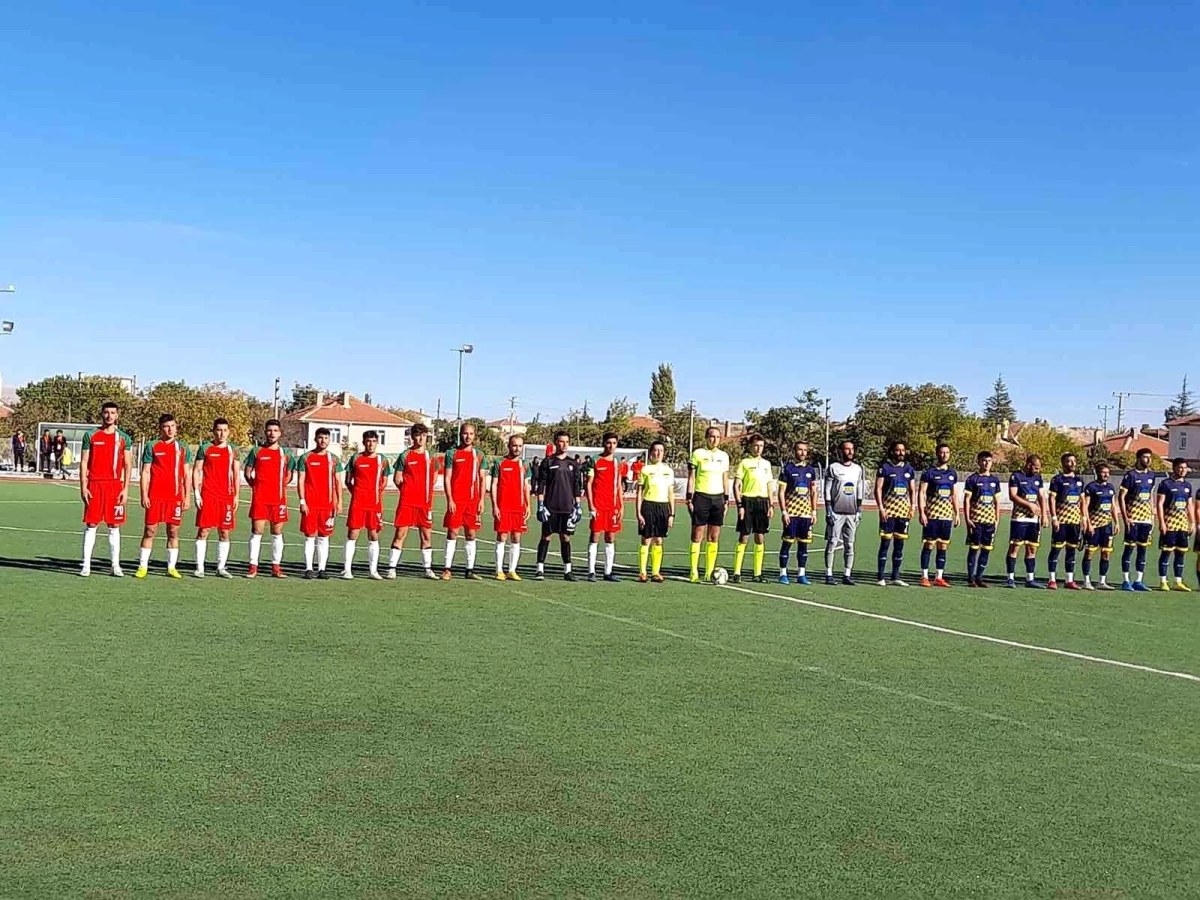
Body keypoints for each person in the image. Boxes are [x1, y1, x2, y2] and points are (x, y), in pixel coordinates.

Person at [79, 402, 134, 577]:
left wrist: (125, 489)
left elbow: (127, 464)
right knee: (92, 524)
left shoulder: (123, 438)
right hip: (95, 485)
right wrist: (83, 487)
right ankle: (86, 565)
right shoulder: (91, 435)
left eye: (113, 413)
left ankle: (115, 565)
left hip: (114, 486)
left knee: (114, 525)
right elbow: (84, 462)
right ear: (101, 415)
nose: (109, 416)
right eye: (106, 412)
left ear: (117, 415)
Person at [135, 413, 193, 579]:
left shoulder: (182, 448)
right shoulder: (152, 446)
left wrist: (187, 497)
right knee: (150, 531)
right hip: (155, 497)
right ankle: (142, 566)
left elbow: (187, 474)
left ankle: (171, 567)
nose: (170, 429)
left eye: (173, 426)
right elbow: (145, 472)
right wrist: (144, 494)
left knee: (173, 532)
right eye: (167, 426)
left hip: (175, 497)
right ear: (161, 429)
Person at [244, 419, 295, 578]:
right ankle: (253, 567)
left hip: (278, 499)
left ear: (280, 433)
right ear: (265, 432)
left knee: (277, 532)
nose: (272, 433)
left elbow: (289, 474)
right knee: (257, 531)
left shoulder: (285, 453)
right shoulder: (256, 451)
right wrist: (256, 486)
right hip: (260, 498)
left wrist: (279, 486)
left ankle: (276, 567)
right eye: (269, 430)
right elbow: (247, 472)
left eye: (275, 430)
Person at [388, 423, 438, 579]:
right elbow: (397, 479)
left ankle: (428, 569)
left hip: (425, 503)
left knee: (426, 536)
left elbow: (434, 477)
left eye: (423, 435)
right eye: (418, 435)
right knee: (400, 534)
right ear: (412, 437)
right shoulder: (405, 455)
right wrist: (408, 491)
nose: (421, 438)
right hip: (407, 502)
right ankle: (391, 568)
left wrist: (425, 490)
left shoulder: (431, 457)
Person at [193, 417, 241, 578]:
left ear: (228, 432)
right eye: (219, 430)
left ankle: (221, 567)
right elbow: (197, 470)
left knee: (225, 532)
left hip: (226, 497)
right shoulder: (205, 448)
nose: (221, 433)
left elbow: (236, 474)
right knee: (204, 531)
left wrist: (236, 496)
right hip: (208, 495)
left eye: (225, 430)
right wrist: (197, 493)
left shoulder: (233, 450)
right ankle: (200, 567)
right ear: (214, 431)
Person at [534, 431, 583, 581]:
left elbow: (576, 486)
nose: (564, 444)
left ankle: (568, 570)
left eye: (567, 441)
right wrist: (541, 505)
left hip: (567, 507)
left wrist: (578, 506)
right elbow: (541, 485)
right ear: (555, 442)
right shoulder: (548, 462)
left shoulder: (573, 463)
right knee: (546, 537)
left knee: (565, 538)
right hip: (551, 507)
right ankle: (540, 569)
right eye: (561, 441)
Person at [296, 427, 343, 579]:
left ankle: (322, 569)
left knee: (324, 537)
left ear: (329, 440)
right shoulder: (306, 458)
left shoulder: (334, 459)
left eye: (326, 438)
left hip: (327, 505)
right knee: (310, 536)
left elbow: (337, 482)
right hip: (310, 504)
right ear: (315, 439)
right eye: (320, 438)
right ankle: (309, 568)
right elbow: (301, 481)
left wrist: (339, 502)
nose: (323, 441)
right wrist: (302, 501)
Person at [442, 422, 487, 580]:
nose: (468, 437)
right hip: (457, 500)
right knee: (453, 532)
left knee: (471, 533)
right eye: (465, 433)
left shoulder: (479, 455)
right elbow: (447, 478)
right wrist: (450, 499)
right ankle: (447, 569)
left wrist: (481, 500)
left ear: (475, 436)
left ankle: (470, 569)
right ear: (460, 434)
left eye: (471, 434)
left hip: (472, 501)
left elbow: (482, 479)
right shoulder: (451, 453)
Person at [342, 431, 390, 580]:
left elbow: (384, 481)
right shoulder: (356, 458)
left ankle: (373, 570)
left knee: (374, 535)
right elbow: (348, 481)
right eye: (368, 441)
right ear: (364, 442)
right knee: (353, 534)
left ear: (377, 443)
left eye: (374, 441)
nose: (371, 444)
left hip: (374, 504)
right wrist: (356, 493)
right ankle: (347, 570)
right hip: (358, 503)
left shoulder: (382, 460)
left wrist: (375, 494)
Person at [687, 427, 730, 582]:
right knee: (697, 535)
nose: (715, 440)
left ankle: (709, 572)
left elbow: (725, 478)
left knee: (714, 536)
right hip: (701, 497)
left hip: (718, 498)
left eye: (718, 437)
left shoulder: (724, 456)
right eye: (712, 436)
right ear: (706, 438)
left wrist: (726, 499)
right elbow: (691, 477)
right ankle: (694, 572)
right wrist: (689, 497)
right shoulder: (698, 454)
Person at [731, 434, 773, 584]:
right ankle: (736, 572)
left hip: (762, 502)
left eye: (761, 446)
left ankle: (757, 573)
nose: (758, 449)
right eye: (756, 445)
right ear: (750, 446)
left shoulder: (767, 464)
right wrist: (740, 505)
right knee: (744, 536)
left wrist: (771, 505)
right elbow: (736, 486)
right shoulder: (744, 463)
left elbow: (769, 485)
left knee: (760, 537)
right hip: (748, 501)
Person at [875, 441, 917, 587]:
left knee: (899, 545)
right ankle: (881, 577)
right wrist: (881, 508)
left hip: (903, 513)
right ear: (892, 451)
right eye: (898, 450)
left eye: (903, 450)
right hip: (888, 512)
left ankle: (896, 576)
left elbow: (912, 490)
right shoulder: (885, 468)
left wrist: (913, 507)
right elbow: (878, 489)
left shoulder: (909, 469)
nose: (900, 453)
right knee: (885, 544)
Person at [824, 440, 866, 585]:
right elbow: (827, 489)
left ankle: (846, 574)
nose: (850, 452)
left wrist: (859, 508)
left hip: (852, 512)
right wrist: (829, 509)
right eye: (846, 449)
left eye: (852, 449)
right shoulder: (833, 468)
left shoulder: (858, 469)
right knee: (832, 543)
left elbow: (860, 488)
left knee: (850, 545)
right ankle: (829, 574)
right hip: (836, 512)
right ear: (840, 451)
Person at [918, 443, 959, 588]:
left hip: (947, 516)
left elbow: (954, 495)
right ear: (937, 454)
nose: (944, 455)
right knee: (929, 545)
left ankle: (939, 577)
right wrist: (922, 512)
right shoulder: (929, 473)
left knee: (943, 546)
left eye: (947, 452)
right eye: (942, 452)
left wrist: (957, 513)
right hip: (932, 515)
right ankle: (924, 576)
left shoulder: (952, 474)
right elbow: (922, 493)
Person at [777, 441, 818, 585]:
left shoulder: (811, 470)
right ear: (794, 451)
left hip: (806, 514)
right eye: (800, 450)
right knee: (787, 544)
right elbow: (781, 492)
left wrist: (813, 511)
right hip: (791, 513)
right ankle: (783, 573)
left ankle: (802, 574)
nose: (802, 453)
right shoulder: (787, 469)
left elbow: (813, 492)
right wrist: (784, 512)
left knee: (803, 545)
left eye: (805, 450)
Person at [491, 435, 531, 580]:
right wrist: (495, 506)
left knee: (516, 537)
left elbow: (526, 486)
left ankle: (512, 570)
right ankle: (499, 570)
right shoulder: (499, 463)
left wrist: (528, 505)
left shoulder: (524, 464)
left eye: (520, 446)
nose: (517, 449)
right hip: (503, 506)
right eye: (514, 445)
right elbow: (494, 485)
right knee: (502, 536)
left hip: (518, 507)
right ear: (509, 446)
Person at [1006, 454, 1048, 588]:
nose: (1038, 471)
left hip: (1034, 520)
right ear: (1029, 465)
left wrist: (1045, 515)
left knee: (1032, 548)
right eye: (1036, 468)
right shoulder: (1016, 476)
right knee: (1015, 547)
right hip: (1019, 518)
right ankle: (1010, 578)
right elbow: (1013, 496)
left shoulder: (1038, 478)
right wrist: (1029, 505)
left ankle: (1030, 579)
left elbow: (1041, 496)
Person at [586, 432, 623, 582]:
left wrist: (620, 505)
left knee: (610, 537)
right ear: (603, 443)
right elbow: (588, 483)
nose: (611, 446)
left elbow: (619, 485)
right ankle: (591, 572)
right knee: (595, 536)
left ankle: (608, 572)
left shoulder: (616, 463)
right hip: (598, 506)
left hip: (612, 507)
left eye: (614, 443)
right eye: (608, 443)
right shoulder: (595, 460)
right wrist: (591, 505)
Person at [1119, 447, 1157, 592]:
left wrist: (1152, 516)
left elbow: (1150, 497)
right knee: (1129, 548)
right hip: (1133, 518)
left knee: (1143, 550)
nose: (1148, 460)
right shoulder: (1130, 476)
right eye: (1145, 457)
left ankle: (1138, 581)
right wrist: (1126, 517)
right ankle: (1126, 580)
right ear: (1139, 458)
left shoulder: (1152, 476)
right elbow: (1121, 497)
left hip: (1146, 519)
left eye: (1150, 457)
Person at [636, 440, 675, 583]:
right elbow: (639, 493)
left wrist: (672, 514)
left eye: (661, 450)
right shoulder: (645, 470)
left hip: (663, 507)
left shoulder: (668, 471)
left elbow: (671, 493)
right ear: (651, 452)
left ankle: (656, 572)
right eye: (656, 450)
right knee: (646, 538)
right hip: (648, 505)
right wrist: (639, 512)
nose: (658, 453)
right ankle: (643, 572)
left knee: (658, 540)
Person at [1047, 453, 1086, 590]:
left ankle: (1069, 580)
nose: (1073, 464)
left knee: (1071, 551)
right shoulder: (1057, 480)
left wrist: (1084, 519)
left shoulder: (1079, 480)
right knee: (1056, 550)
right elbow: (1051, 499)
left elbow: (1082, 502)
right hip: (1061, 521)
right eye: (1069, 461)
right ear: (1063, 463)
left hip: (1074, 522)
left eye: (1074, 461)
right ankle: (1052, 580)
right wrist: (1054, 518)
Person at [1155, 458, 1193, 592]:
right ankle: (1163, 581)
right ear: (1174, 468)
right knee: (1166, 553)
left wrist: (1192, 522)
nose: (1183, 470)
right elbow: (1159, 504)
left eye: (1185, 468)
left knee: (1180, 554)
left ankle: (1178, 581)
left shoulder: (1188, 485)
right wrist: (1162, 523)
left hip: (1182, 526)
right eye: (1180, 467)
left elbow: (1189, 505)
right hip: (1169, 524)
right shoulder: (1165, 484)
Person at [1082, 463, 1120, 591]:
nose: (1106, 475)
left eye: (1108, 472)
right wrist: (1088, 524)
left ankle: (1102, 581)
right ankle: (1086, 581)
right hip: (1094, 525)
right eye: (1104, 472)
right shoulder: (1091, 487)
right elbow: (1085, 507)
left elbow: (1113, 506)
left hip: (1107, 526)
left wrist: (1117, 522)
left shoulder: (1110, 487)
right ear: (1097, 473)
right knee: (1089, 553)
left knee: (1106, 553)